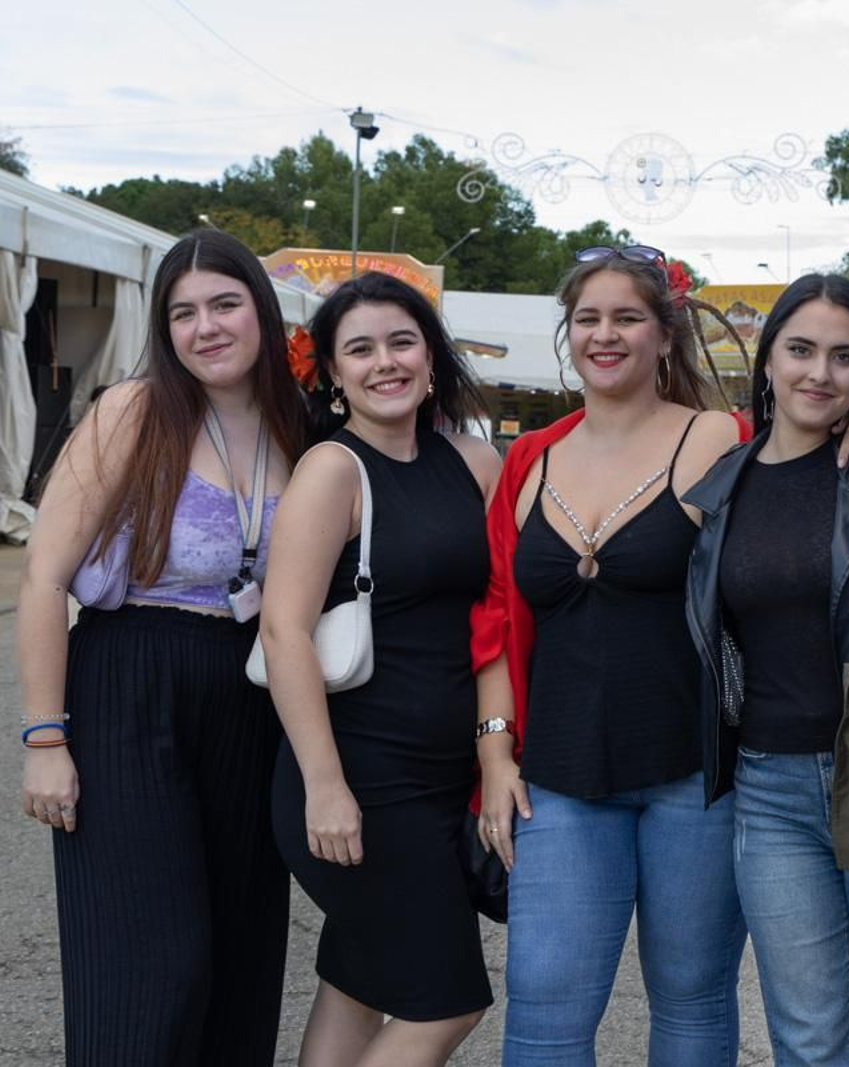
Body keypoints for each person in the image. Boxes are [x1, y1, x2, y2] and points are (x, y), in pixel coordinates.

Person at [469, 246, 849, 1066]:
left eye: (627, 317)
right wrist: (494, 750)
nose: (606, 335)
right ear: (568, 333)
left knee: (694, 998)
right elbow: (495, 610)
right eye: (588, 319)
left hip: (694, 775)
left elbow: (802, 478)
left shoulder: (718, 438)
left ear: (664, 334)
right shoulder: (529, 458)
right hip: (558, 773)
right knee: (543, 1008)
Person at [17, 229, 303, 1065]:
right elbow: (42, 578)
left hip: (252, 697)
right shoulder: (135, 410)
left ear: (261, 309)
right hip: (132, 679)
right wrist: (44, 736)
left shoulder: (299, 424)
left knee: (242, 965)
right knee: (154, 969)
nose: (206, 327)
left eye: (224, 303)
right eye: (183, 313)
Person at [682, 274, 849, 1066]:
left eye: (843, 356)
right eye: (800, 349)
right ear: (766, 360)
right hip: (770, 784)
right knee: (811, 1033)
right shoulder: (721, 489)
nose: (819, 373)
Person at [259, 272, 501, 1067]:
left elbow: (503, 608)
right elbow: (285, 628)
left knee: (356, 986)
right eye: (359, 349)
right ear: (332, 372)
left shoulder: (474, 463)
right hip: (359, 778)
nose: (385, 362)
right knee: (448, 1002)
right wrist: (325, 784)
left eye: (402, 341)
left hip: (443, 778)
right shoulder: (333, 469)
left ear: (431, 356)